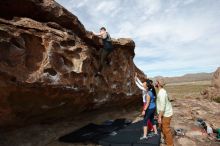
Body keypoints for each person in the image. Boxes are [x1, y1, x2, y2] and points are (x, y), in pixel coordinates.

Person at [135, 73, 158, 140]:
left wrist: (144, 110)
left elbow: (147, 103)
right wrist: (137, 78)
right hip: (153, 107)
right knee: (151, 119)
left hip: (149, 107)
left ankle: (145, 135)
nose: (143, 83)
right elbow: (141, 84)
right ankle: (155, 132)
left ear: (147, 86)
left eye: (145, 83)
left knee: (145, 121)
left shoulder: (147, 92)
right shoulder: (152, 90)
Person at [155, 78, 174, 146]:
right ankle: (167, 142)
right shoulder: (161, 91)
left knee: (166, 131)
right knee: (164, 129)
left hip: (166, 114)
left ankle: (170, 144)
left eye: (156, 82)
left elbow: (162, 107)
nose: (155, 83)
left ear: (158, 84)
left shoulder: (162, 93)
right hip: (165, 113)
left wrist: (159, 117)